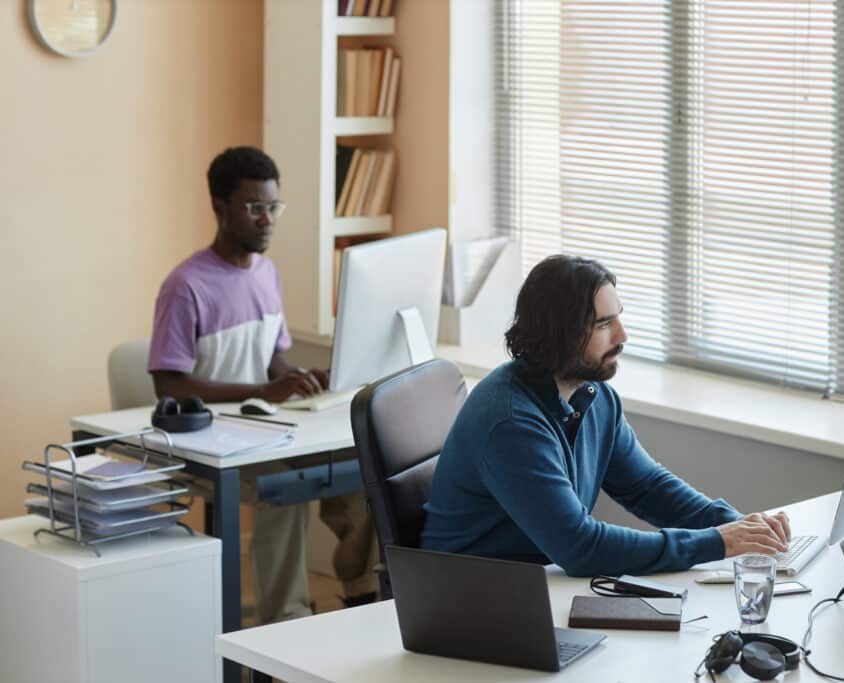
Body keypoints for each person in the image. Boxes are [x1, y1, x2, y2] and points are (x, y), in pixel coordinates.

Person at [421, 255, 791, 576]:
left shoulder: (595, 396)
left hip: (534, 588)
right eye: (603, 325)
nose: (622, 335)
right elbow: (581, 548)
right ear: (559, 334)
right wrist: (716, 543)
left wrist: (738, 525)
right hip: (471, 602)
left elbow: (648, 487)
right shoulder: (510, 422)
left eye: (618, 319)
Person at [148, 146, 377, 622]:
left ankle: (359, 592)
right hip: (210, 443)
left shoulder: (267, 273)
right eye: (254, 208)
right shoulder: (186, 285)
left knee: (364, 463)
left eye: (273, 207)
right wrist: (257, 392)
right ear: (220, 207)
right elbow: (168, 385)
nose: (267, 219)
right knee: (284, 488)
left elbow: (271, 357)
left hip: (264, 428)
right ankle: (285, 622)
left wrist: (294, 378)